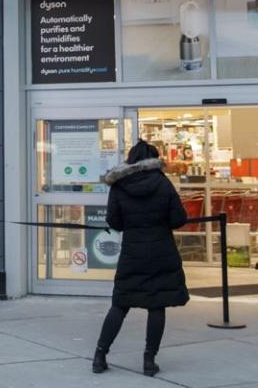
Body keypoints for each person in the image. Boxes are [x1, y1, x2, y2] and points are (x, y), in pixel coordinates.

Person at [92, 140, 188, 377]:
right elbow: (178, 219)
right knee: (157, 306)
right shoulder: (163, 183)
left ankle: (100, 355)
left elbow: (114, 222)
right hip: (161, 253)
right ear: (154, 159)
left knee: (120, 304)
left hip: (132, 253)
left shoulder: (119, 186)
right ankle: (149, 360)